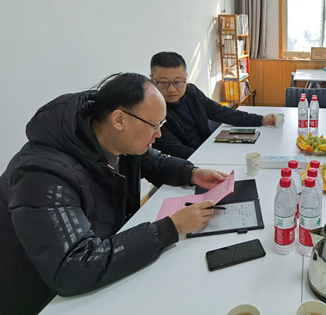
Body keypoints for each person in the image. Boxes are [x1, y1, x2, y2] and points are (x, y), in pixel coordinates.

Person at [0, 73, 228, 314]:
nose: (159, 135)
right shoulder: (42, 175)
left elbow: (153, 162)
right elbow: (73, 267)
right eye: (155, 126)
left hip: (96, 271)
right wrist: (171, 227)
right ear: (119, 119)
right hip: (39, 297)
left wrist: (192, 173)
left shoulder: (110, 137)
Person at [149, 52, 277, 159]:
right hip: (184, 165)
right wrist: (212, 159)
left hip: (207, 151)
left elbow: (223, 112)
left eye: (178, 82)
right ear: (152, 79)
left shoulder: (192, 93)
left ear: (186, 78)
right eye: (163, 83)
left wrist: (260, 119)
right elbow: (176, 150)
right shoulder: (151, 111)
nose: (171, 89)